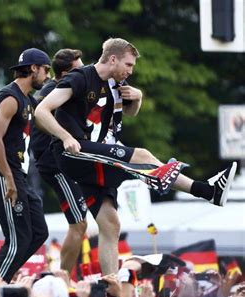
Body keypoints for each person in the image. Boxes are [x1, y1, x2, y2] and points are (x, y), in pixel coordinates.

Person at [34, 38, 237, 275]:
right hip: (74, 153)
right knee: (141, 155)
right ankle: (206, 190)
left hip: (95, 157)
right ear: (112, 59)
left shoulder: (115, 84)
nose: (130, 71)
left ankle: (112, 291)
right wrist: (65, 136)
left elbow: (128, 113)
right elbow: (41, 111)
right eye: (128, 65)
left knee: (110, 225)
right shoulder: (79, 78)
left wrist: (137, 98)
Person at [0, 48, 51, 282]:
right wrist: (9, 178)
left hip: (18, 175)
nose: (47, 76)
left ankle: (3, 276)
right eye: (46, 70)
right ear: (33, 68)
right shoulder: (11, 98)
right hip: (5, 174)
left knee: (39, 232)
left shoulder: (28, 100)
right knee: (17, 238)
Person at [31, 48, 87, 273]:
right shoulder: (55, 91)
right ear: (65, 75)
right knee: (79, 223)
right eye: (80, 70)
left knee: (81, 223)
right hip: (55, 164)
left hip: (64, 161)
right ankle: (62, 277)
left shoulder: (62, 88)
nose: (85, 74)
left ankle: (64, 276)